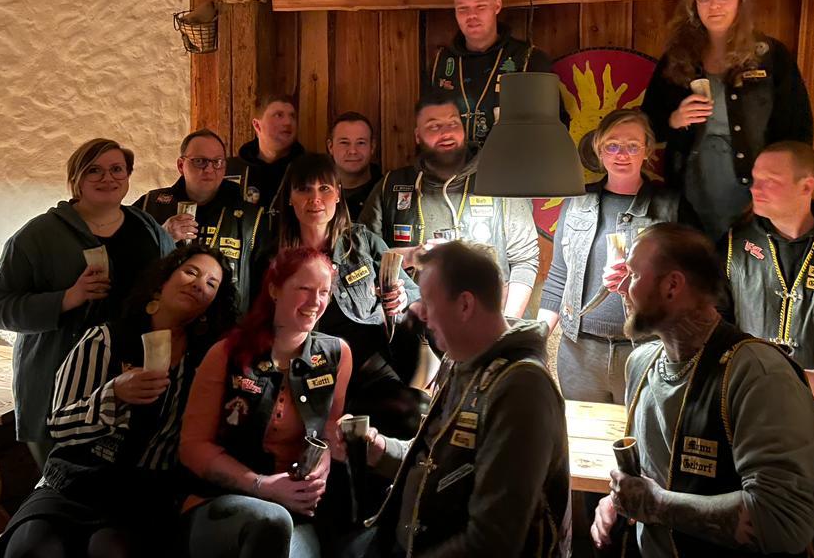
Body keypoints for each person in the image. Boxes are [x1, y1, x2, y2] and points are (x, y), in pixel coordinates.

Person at [592, 223, 814, 557]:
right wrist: (617, 502)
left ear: (672, 286)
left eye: (633, 275)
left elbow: (783, 524)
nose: (622, 287)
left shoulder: (757, 374)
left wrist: (655, 505)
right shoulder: (641, 364)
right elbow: (652, 479)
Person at [0, 244, 238, 558]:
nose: (199, 284)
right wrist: (114, 394)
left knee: (110, 551)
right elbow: (60, 424)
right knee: (34, 550)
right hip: (74, 482)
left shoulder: (205, 361)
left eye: (211, 284)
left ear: (211, 305)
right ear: (162, 282)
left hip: (142, 494)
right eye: (191, 272)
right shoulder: (105, 339)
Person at [342, 241, 570, 557]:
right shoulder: (460, 359)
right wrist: (382, 451)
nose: (420, 312)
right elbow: (440, 461)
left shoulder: (522, 388)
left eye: (428, 301)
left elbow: (492, 542)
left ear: (465, 305)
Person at [0, 138, 174, 468]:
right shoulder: (38, 236)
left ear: (128, 175)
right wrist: (67, 298)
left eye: (117, 169)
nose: (108, 178)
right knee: (61, 484)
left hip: (132, 383)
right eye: (94, 171)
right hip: (58, 384)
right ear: (76, 179)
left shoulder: (149, 230)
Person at [180, 247, 352, 558]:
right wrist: (262, 485)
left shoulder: (336, 354)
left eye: (324, 292)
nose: (315, 302)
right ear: (274, 290)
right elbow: (193, 448)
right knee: (271, 521)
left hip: (296, 511)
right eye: (304, 289)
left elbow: (329, 427)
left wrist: (324, 460)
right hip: (219, 501)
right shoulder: (227, 353)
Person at [642, 0, 813, 239]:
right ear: (694, 4)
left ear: (740, 1)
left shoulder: (770, 57)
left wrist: (782, 189)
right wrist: (674, 119)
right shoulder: (677, 58)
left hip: (755, 191)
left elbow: (797, 130)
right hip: (689, 192)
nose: (714, 4)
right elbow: (648, 125)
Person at [538, 108, 694, 404]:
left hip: (646, 349)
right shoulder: (576, 201)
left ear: (647, 150)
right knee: (583, 431)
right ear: (599, 150)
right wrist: (536, 340)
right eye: (612, 145)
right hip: (578, 353)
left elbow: (688, 284)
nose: (621, 154)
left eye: (632, 146)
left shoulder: (669, 207)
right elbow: (558, 278)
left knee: (639, 431)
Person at [359, 90, 540, 318]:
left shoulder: (500, 182)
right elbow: (361, 256)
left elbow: (525, 259)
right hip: (413, 327)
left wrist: (507, 324)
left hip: (487, 326)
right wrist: (413, 255)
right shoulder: (391, 186)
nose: (446, 133)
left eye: (453, 123)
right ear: (417, 136)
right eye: (434, 126)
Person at [274, 153, 420, 425]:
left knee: (412, 412)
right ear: (290, 198)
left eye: (324, 188)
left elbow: (413, 293)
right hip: (303, 368)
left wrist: (400, 298)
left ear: (338, 194)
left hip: (366, 366)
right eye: (304, 189)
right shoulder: (274, 252)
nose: (315, 199)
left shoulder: (362, 241)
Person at [726, 141, 814, 407]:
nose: (755, 188)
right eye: (755, 179)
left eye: (770, 181)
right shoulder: (733, 246)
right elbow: (714, 322)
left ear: (806, 186)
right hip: (748, 402)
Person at [137, 128, 264, 312]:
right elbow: (125, 260)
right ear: (181, 165)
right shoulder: (150, 204)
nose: (209, 169)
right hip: (160, 316)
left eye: (217, 162)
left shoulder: (250, 217)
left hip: (224, 321)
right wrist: (162, 237)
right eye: (199, 161)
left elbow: (262, 283)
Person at [429, 0, 553, 146]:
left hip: (511, 160)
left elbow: (550, 131)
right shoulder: (441, 63)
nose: (471, 15)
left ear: (497, 6)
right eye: (463, 8)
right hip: (454, 162)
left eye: (480, 6)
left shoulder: (528, 59)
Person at [227, 94, 305, 231]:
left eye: (292, 116)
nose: (288, 122)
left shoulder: (308, 169)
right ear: (257, 125)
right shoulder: (228, 170)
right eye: (279, 115)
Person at [327, 112, 382, 221]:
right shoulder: (317, 194)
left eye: (361, 143)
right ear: (330, 147)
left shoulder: (385, 193)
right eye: (344, 143)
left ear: (372, 146)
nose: (353, 151)